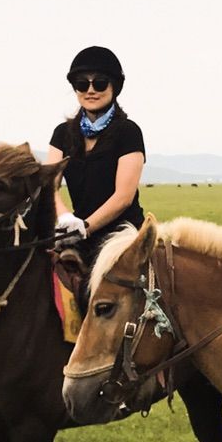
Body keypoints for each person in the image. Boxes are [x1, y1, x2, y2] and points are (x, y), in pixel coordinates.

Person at [45, 46, 145, 274]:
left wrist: (85, 227)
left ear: (113, 87)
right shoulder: (62, 134)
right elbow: (48, 184)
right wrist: (66, 218)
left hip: (122, 236)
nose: (90, 90)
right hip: (76, 234)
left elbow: (123, 197)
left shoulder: (128, 132)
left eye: (99, 83)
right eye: (82, 84)